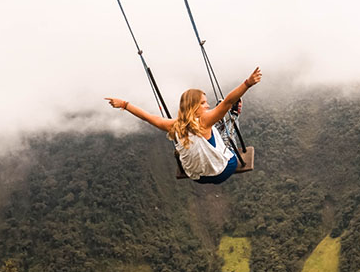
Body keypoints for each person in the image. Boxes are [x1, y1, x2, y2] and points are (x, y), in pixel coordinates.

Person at [106, 67, 262, 184]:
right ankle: (234, 116)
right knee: (226, 138)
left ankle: (224, 121)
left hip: (198, 177)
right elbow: (228, 101)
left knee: (213, 128)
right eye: (203, 103)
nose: (207, 106)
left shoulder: (174, 125)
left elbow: (148, 117)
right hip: (223, 171)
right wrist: (247, 83)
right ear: (193, 106)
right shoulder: (205, 121)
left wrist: (125, 104)